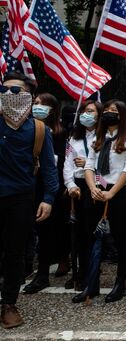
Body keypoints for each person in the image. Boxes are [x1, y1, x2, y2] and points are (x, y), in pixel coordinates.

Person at [0, 72, 58, 328]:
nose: (9, 96)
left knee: (15, 254)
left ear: (29, 97)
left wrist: (48, 198)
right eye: (5, 90)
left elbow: (48, 167)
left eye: (16, 92)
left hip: (21, 199)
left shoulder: (38, 129)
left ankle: (9, 304)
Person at [76, 100, 126, 303]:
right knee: (92, 238)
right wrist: (93, 188)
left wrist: (112, 193)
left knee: (121, 239)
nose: (109, 114)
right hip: (97, 191)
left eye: (114, 111)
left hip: (118, 193)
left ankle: (120, 283)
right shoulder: (98, 138)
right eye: (107, 111)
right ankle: (91, 284)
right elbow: (89, 166)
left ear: (122, 116)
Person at [24, 93, 70, 294]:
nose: (37, 107)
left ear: (52, 109)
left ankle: (45, 271)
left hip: (50, 186)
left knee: (49, 230)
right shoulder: (28, 129)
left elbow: (59, 162)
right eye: (35, 104)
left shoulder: (59, 133)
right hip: (29, 184)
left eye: (42, 105)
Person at [63, 100, 102, 293]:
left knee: (92, 232)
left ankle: (92, 275)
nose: (87, 115)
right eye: (85, 111)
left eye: (91, 111)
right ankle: (80, 273)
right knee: (78, 234)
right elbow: (67, 164)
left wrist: (87, 163)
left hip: (96, 186)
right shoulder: (74, 138)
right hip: (77, 188)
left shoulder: (104, 137)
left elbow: (106, 165)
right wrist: (70, 185)